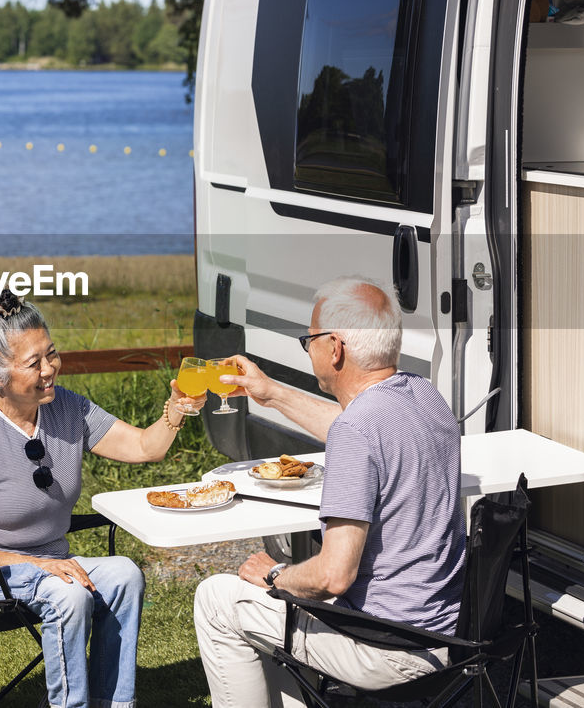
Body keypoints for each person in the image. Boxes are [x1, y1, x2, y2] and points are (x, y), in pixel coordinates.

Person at [194, 276, 465, 708]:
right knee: (278, 597)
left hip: (384, 650)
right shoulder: (423, 396)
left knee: (218, 598)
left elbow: (334, 576)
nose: (309, 349)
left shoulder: (358, 430)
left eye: (309, 340)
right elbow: (355, 429)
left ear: (335, 348)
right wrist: (272, 393)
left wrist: (276, 575)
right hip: (444, 637)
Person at [0, 288, 202, 708]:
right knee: (67, 592)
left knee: (125, 574)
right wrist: (38, 564)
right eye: (33, 363)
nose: (49, 369)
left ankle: (114, 703)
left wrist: (178, 407)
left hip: (50, 564)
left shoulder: (67, 409)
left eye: (51, 354)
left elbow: (146, 447)